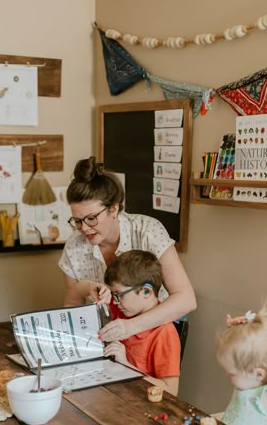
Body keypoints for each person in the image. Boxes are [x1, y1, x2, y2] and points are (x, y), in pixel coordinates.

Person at [59, 156, 196, 342]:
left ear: (113, 209)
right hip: (109, 338)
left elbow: (186, 299)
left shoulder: (148, 231)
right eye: (77, 220)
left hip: (156, 333)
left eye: (91, 218)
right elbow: (73, 302)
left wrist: (131, 327)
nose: (83, 228)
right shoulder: (74, 247)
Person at [102, 250, 181, 395]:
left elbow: (170, 391)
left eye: (118, 295)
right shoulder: (125, 310)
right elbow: (81, 290)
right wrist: (93, 289)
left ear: (146, 292)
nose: (114, 301)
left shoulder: (164, 334)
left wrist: (125, 365)